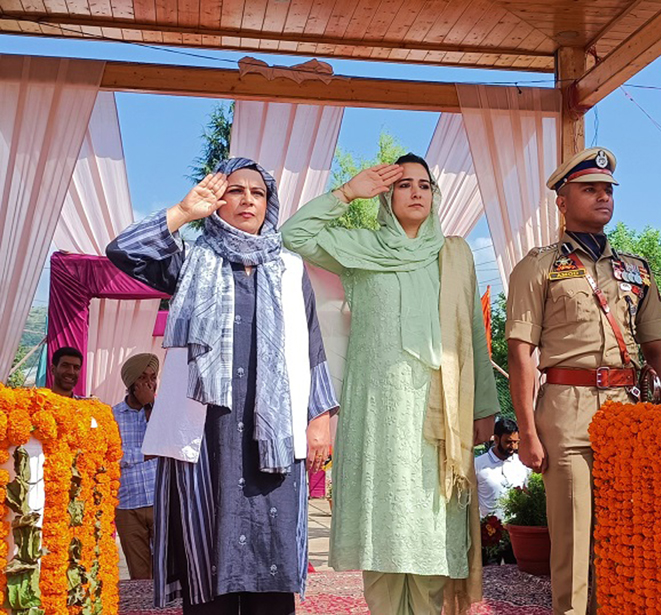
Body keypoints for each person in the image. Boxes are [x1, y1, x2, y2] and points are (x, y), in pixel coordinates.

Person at [106, 157, 338, 614]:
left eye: (258, 192)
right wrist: (183, 211)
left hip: (273, 436)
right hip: (207, 435)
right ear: (217, 200)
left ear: (269, 205)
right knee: (206, 556)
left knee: (271, 565)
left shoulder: (290, 269)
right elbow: (124, 250)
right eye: (235, 190)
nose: (248, 199)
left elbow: (313, 347)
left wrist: (320, 419)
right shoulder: (191, 260)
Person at [281, 154, 500, 615]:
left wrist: (484, 407)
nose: (416, 191)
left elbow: (474, 338)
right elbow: (294, 235)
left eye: (425, 184)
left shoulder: (452, 255)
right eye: (404, 184)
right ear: (386, 196)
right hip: (376, 415)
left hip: (438, 419)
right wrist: (347, 193)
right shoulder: (361, 249)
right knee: (380, 537)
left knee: (429, 537)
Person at [505, 147, 661, 615]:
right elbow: (520, 352)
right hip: (567, 410)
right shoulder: (539, 266)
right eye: (590, 189)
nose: (603, 197)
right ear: (562, 202)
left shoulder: (636, 269)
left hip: (629, 412)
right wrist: (527, 432)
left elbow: (658, 347)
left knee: (626, 537)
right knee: (575, 541)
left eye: (607, 190)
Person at [113, 353, 160, 580]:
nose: (149, 383)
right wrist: (146, 454)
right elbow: (114, 456)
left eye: (153, 377)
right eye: (142, 378)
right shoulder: (112, 415)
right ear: (131, 383)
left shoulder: (162, 413)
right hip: (128, 506)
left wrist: (150, 406)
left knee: (167, 571)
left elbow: (163, 445)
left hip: (160, 502)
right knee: (140, 576)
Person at [474, 417, 531, 521]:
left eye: (516, 442)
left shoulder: (522, 463)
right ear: (496, 439)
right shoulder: (478, 464)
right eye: (508, 442)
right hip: (488, 529)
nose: (513, 447)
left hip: (517, 527)